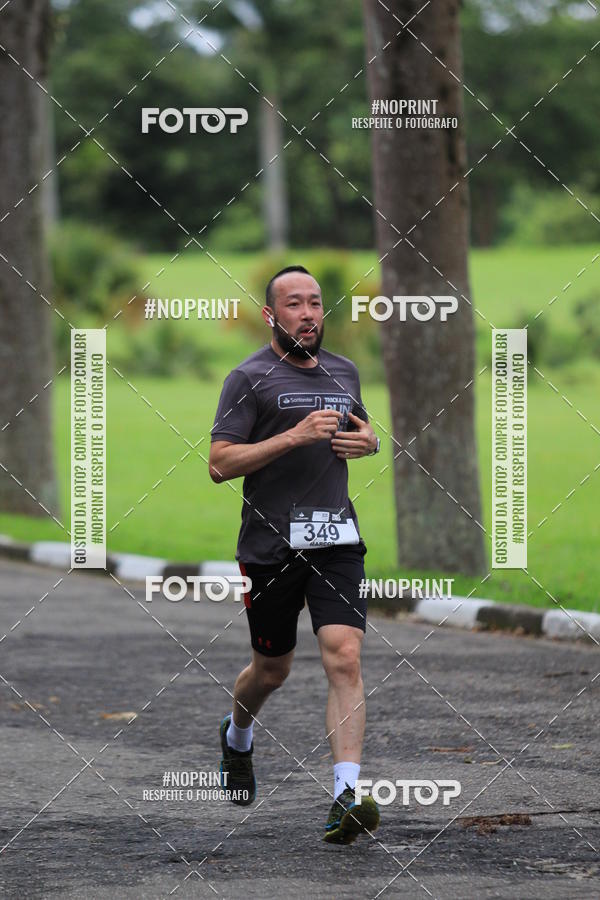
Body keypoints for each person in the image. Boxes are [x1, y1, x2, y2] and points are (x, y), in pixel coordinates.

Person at [209, 265, 382, 844]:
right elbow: (219, 464)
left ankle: (345, 797)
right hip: (270, 547)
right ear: (271, 315)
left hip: (335, 537)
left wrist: (370, 441)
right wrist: (292, 436)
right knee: (271, 669)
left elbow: (360, 433)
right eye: (294, 304)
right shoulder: (248, 378)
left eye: (314, 303)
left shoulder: (345, 371)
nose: (308, 313)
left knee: (345, 655)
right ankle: (237, 737)